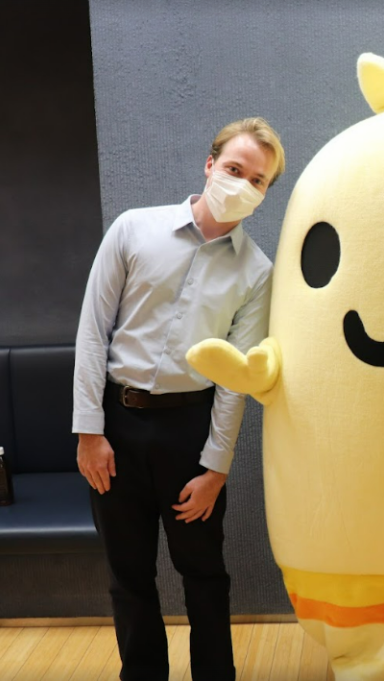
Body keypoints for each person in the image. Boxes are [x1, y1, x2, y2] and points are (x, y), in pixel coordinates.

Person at [73, 117, 285, 681]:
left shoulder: (257, 272)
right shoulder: (132, 229)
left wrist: (216, 468)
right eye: (235, 168)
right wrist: (89, 432)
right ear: (210, 165)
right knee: (128, 575)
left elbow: (234, 379)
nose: (243, 184)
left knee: (205, 573)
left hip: (190, 430)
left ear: (265, 193)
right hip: (116, 425)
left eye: (258, 180)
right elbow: (93, 332)